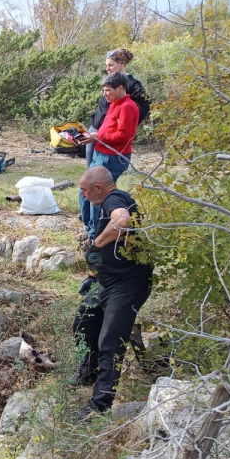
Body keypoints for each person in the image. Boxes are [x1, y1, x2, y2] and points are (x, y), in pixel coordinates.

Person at [72, 166, 152, 419]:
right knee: (83, 323)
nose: (82, 195)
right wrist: (93, 274)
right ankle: (89, 372)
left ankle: (100, 404)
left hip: (128, 285)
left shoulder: (114, 200)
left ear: (98, 188)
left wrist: (96, 243)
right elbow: (113, 249)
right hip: (106, 281)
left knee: (110, 342)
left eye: (84, 190)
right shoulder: (102, 203)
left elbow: (122, 221)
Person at [78, 49, 151, 242]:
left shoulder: (128, 106)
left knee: (96, 196)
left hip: (113, 156)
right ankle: (89, 231)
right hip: (101, 153)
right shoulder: (114, 104)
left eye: (108, 91)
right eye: (103, 91)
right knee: (84, 192)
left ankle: (96, 238)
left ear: (120, 88)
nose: (105, 95)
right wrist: (93, 136)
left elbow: (122, 136)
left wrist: (97, 136)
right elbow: (107, 128)